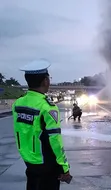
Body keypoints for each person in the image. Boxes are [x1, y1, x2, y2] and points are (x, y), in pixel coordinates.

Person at [12, 59, 72, 190]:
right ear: (45, 81)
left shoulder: (18, 103)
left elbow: (22, 131)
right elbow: (55, 140)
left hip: (28, 161)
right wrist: (64, 167)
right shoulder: (48, 108)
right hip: (46, 164)